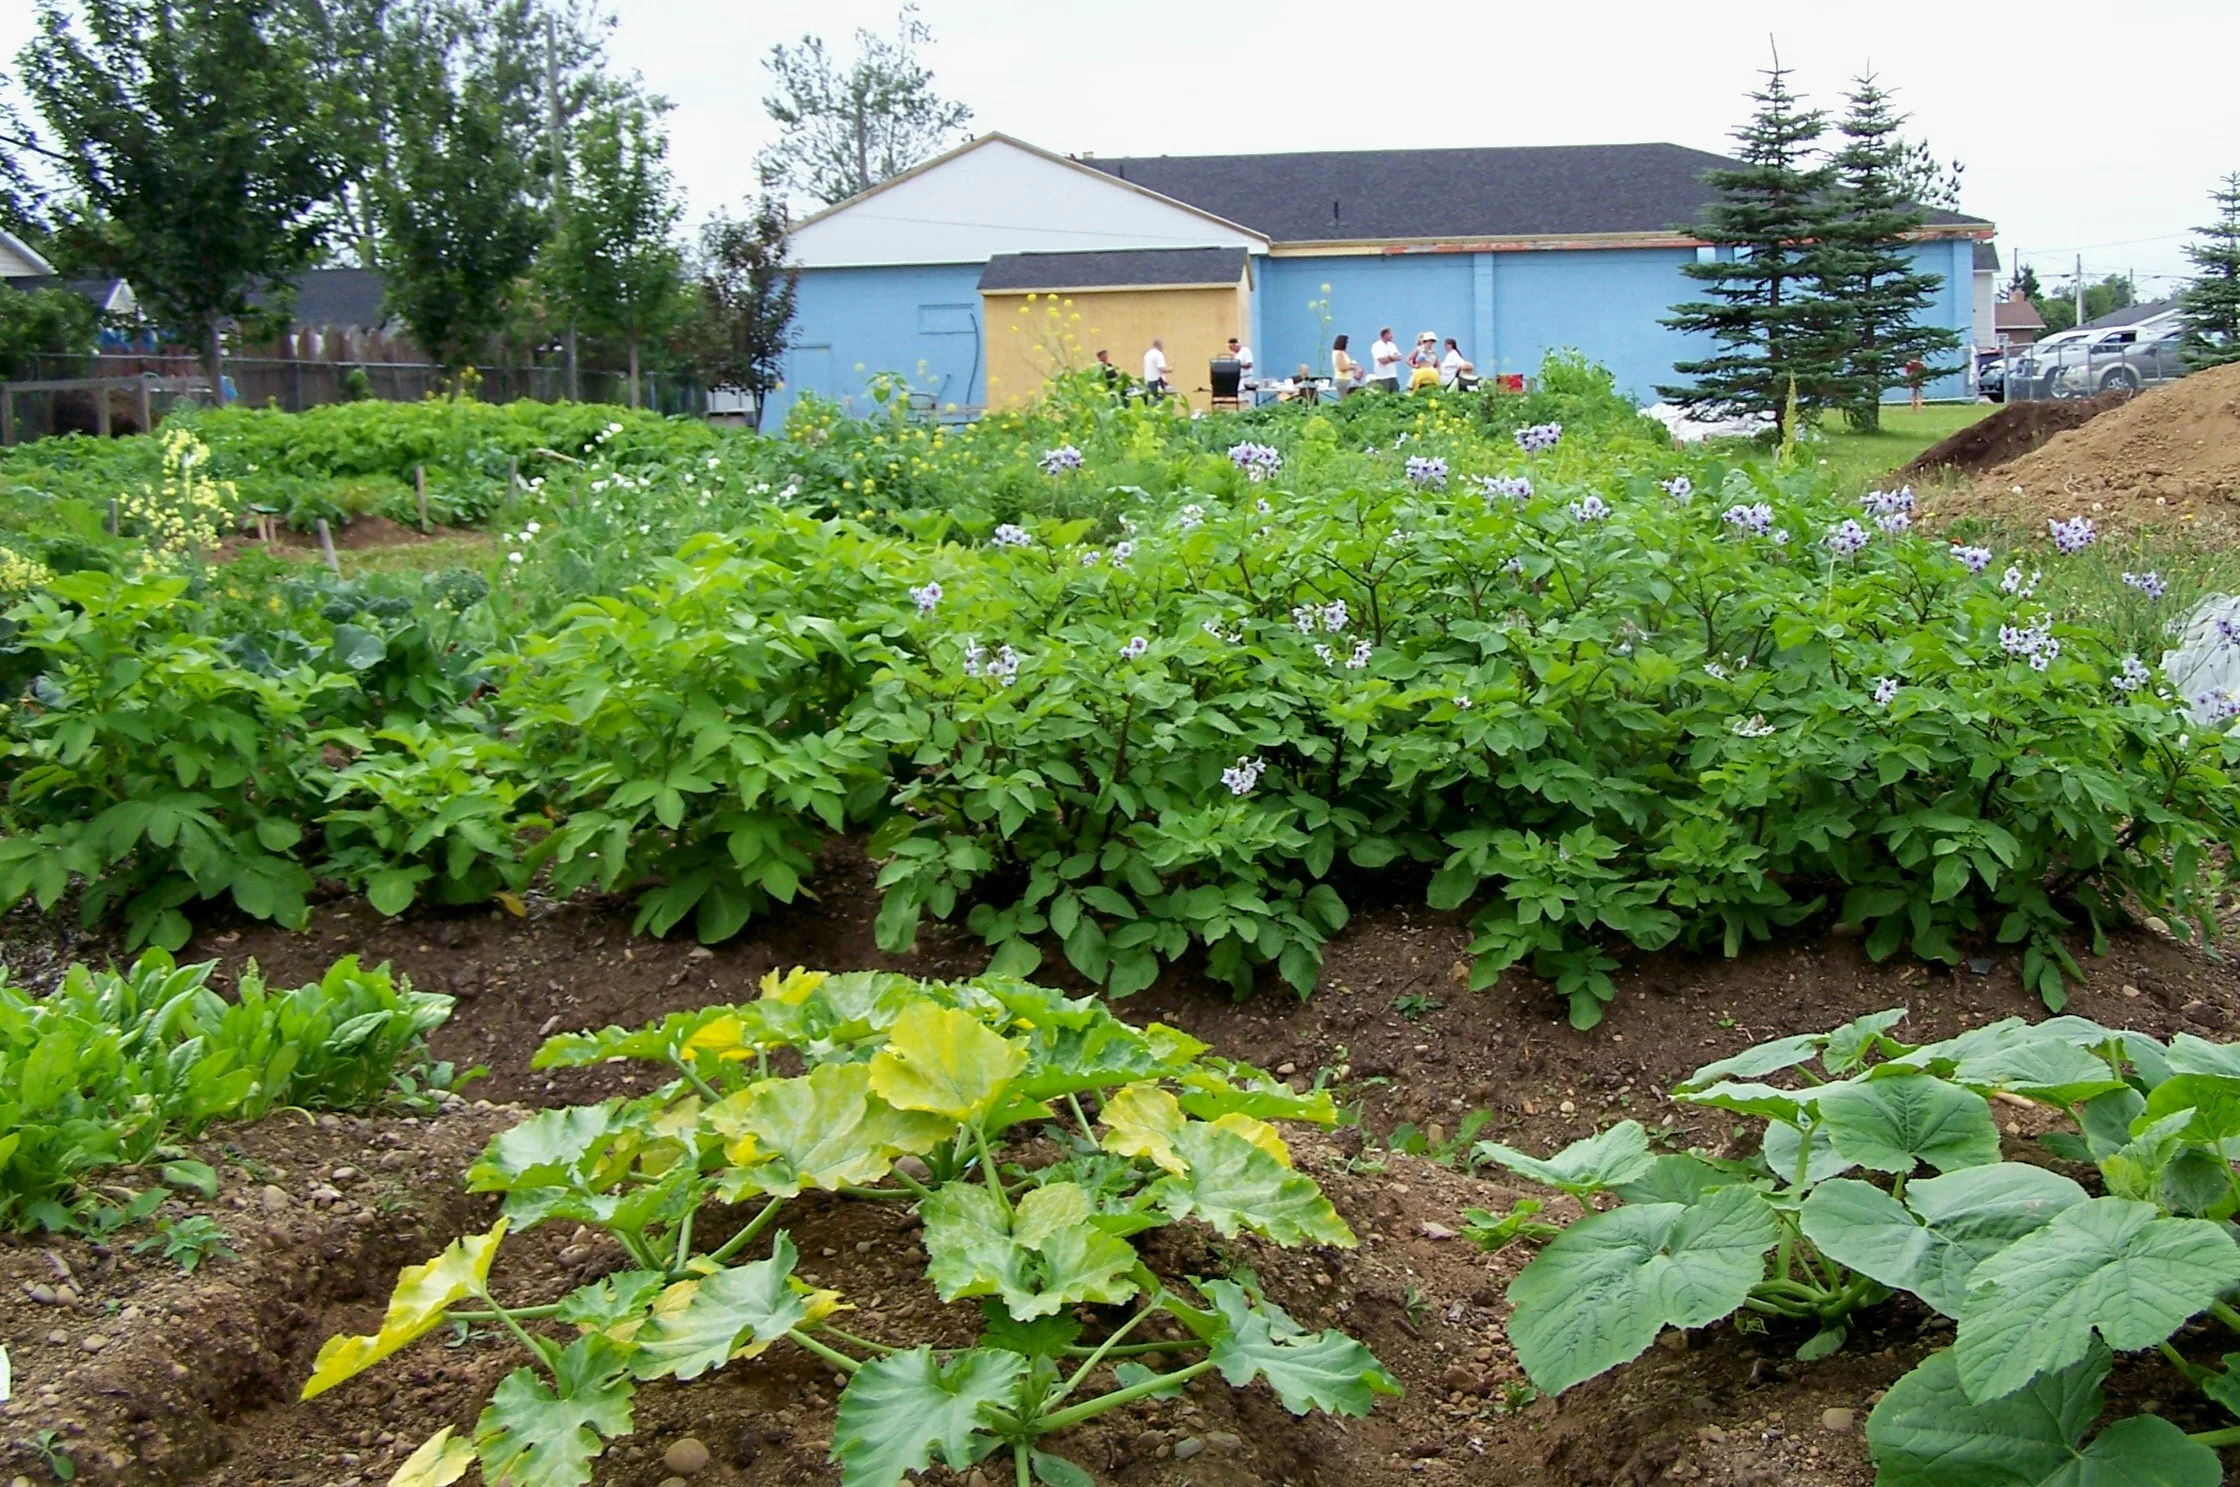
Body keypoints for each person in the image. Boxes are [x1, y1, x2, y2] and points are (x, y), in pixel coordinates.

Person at [1370, 327, 1403, 391]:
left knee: (1395, 393)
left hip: (1393, 376)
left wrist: (1389, 357)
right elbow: (1382, 361)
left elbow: (1398, 357)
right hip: (1382, 377)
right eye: (1390, 334)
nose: (1392, 336)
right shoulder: (1376, 345)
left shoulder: (1392, 345)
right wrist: (1392, 357)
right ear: (1385, 334)